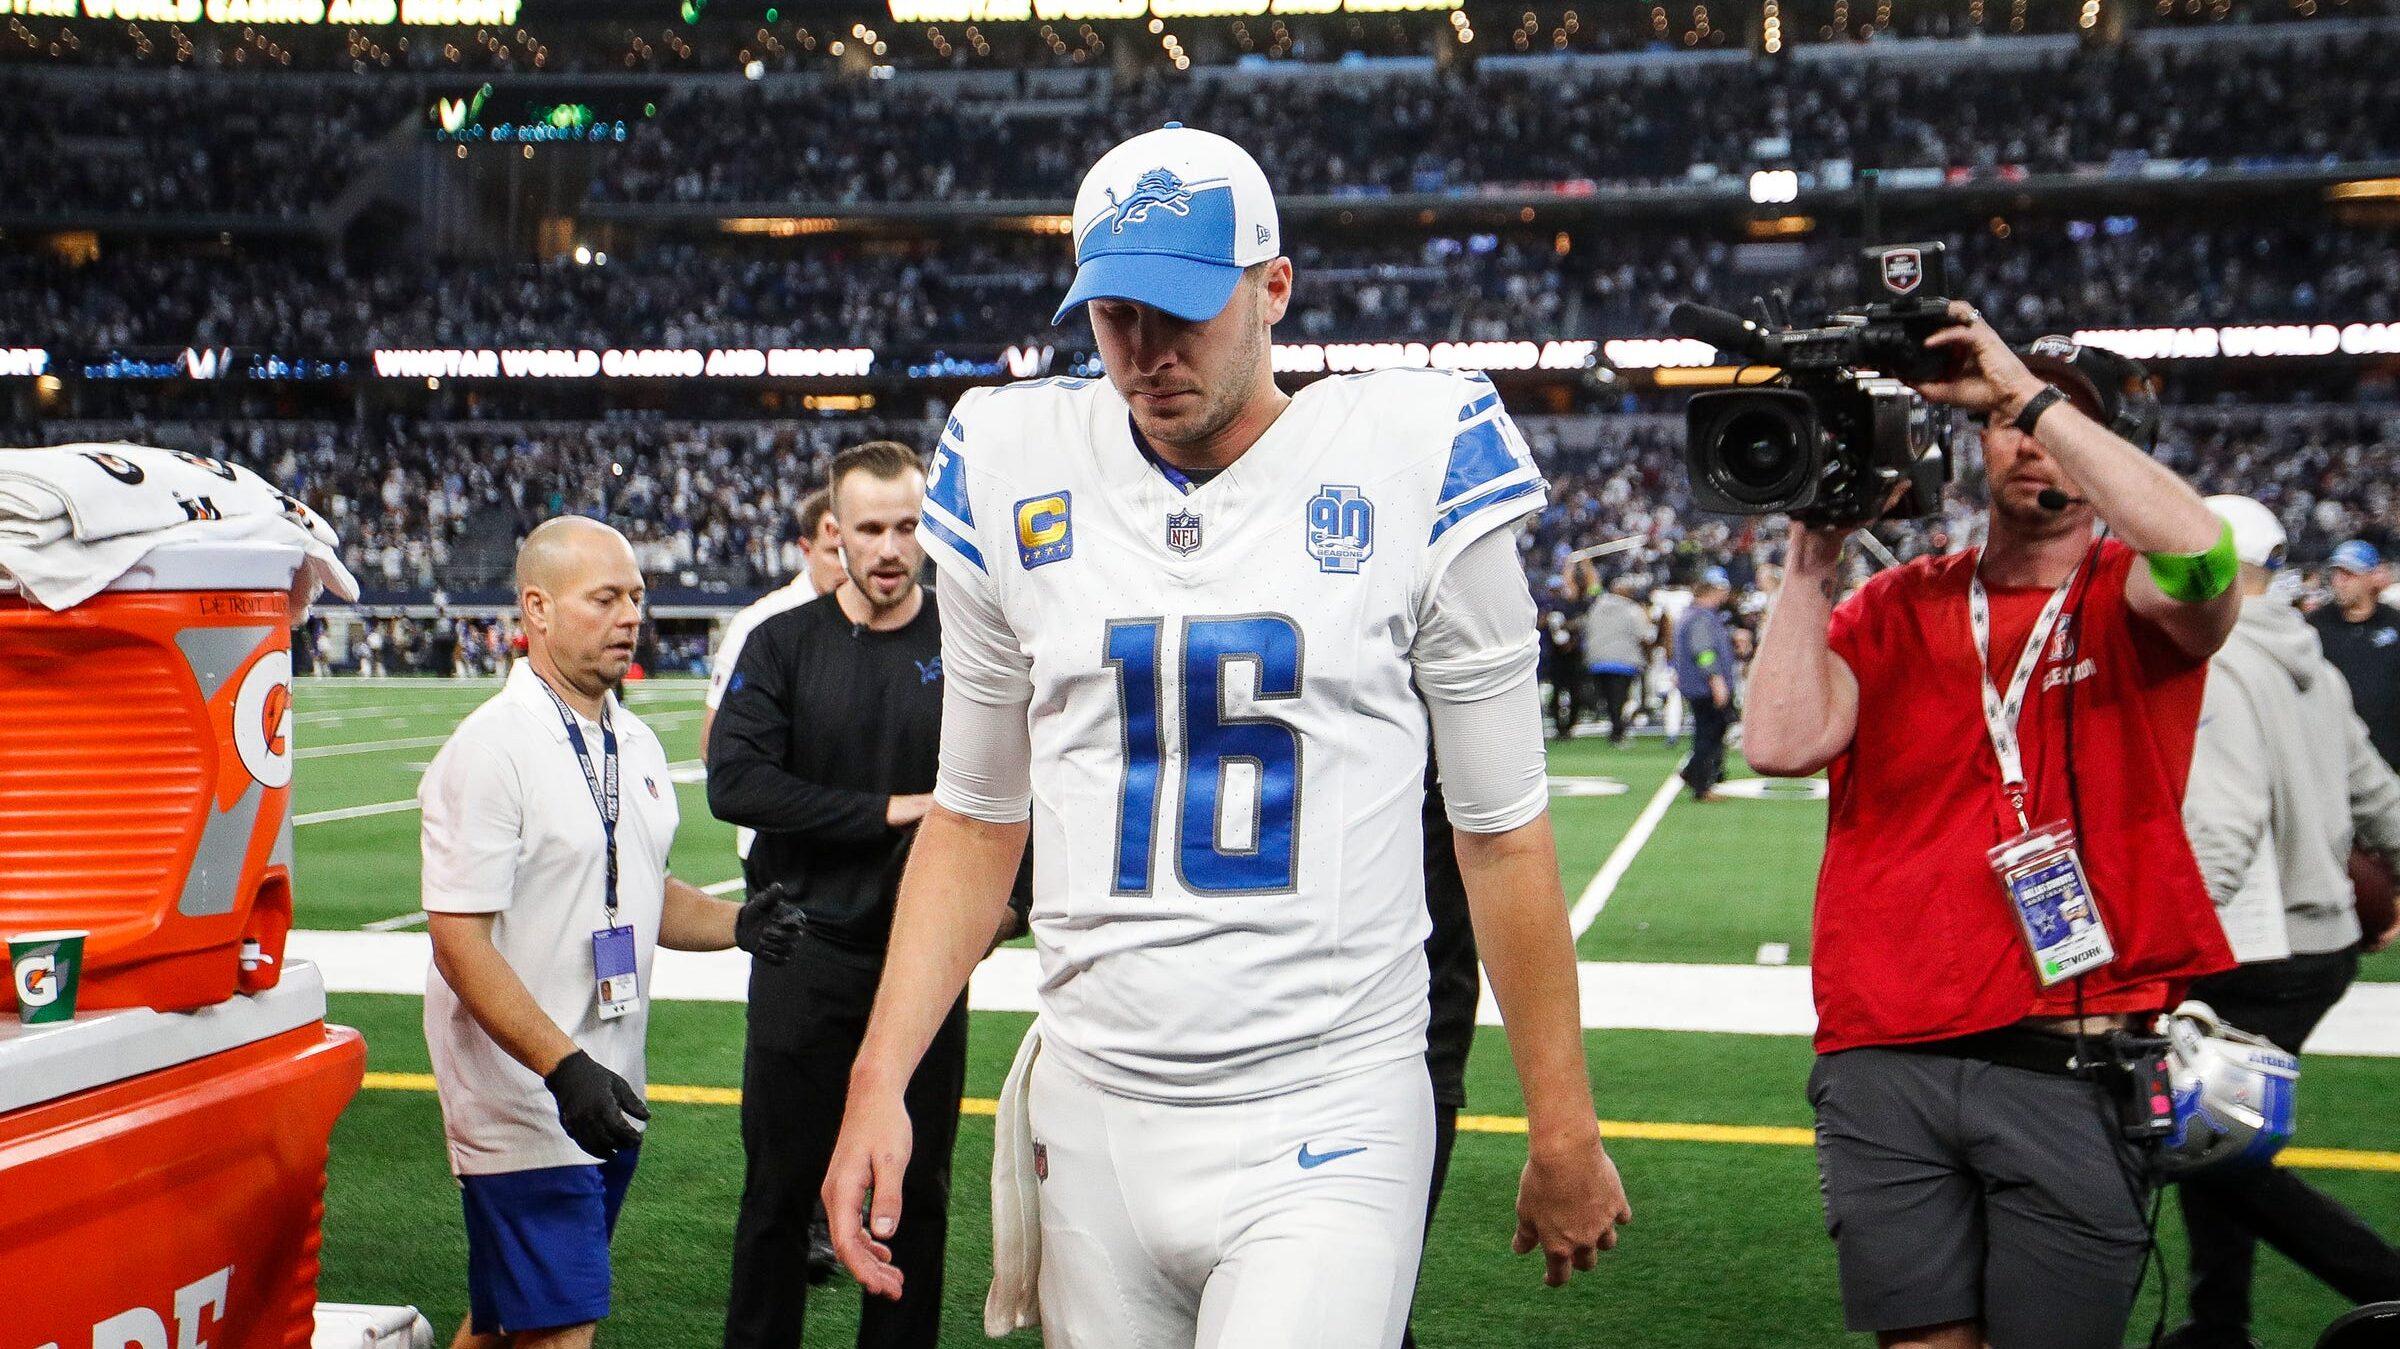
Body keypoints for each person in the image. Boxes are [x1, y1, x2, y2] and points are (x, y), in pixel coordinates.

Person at [821, 123, 1631, 1349]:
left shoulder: (1411, 453)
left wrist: (1561, 1122)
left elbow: (1501, 833)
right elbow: (977, 817)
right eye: (1115, 316)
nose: (1145, 353)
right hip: (1092, 1104)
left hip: (1332, 1092)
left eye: (1183, 311)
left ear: (1273, 288)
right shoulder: (1012, 458)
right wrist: (880, 1075)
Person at [1745, 323, 2243, 1349]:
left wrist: (2022, 384)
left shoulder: (2134, 596)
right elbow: (1779, 741)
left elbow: (2200, 556)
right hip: (1884, 1050)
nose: (2027, 439)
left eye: (2059, 420)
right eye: (2003, 423)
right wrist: (1814, 552)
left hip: (2067, 1056)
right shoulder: (1894, 602)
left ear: (2116, 444)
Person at [419, 517, 802, 1349]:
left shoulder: (628, 736)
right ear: (538, 610)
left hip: (605, 1083)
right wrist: (562, 1067)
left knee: (504, 1320)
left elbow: (638, 892)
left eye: (636, 595)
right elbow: (459, 940)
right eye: (605, 598)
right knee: (562, 1326)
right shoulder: (491, 749)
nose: (631, 615)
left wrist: (740, 921)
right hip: (525, 1094)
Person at [708, 443, 1014, 1349]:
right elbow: (736, 783)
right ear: (831, 533)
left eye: (908, 526)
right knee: (776, 1195)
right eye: (870, 528)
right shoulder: (782, 643)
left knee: (914, 1199)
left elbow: (1022, 786)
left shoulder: (967, 645)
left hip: (923, 961)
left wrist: (1010, 906)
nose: (889, 548)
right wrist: (888, 810)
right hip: (804, 952)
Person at [2167, 496, 2400, 1349]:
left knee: (2209, 1143)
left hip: (2255, 946)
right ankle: (2216, 1322)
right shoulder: (2314, 659)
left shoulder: (2217, 659)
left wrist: (2163, 945)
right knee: (2212, 1123)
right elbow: (2378, 791)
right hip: (2320, 940)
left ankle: (2384, 1284)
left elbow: (2222, 830)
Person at [699, 488, 847, 769]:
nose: (845, 566)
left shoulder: (883, 619)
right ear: (806, 550)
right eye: (834, 553)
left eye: (851, 553)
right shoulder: (759, 623)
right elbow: (714, 746)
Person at [2308, 539, 2400, 771]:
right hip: (2333, 752)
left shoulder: (2394, 623)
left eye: (2349, 575)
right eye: (2337, 574)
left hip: (2387, 753)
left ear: (2371, 578)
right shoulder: (2315, 626)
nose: (2340, 583)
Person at [1673, 566, 1738, 799]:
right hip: (1705, 688)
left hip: (1699, 686)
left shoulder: (1697, 615)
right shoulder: (1700, 618)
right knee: (1708, 734)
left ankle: (1695, 771)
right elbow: (1704, 652)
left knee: (1711, 731)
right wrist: (1715, 680)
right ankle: (1702, 783)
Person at [1582, 575, 1655, 746]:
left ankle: (1616, 728)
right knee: (1621, 698)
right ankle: (1618, 732)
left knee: (1609, 699)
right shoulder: (1632, 609)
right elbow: (1644, 636)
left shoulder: (1596, 607)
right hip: (1624, 660)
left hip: (1597, 660)